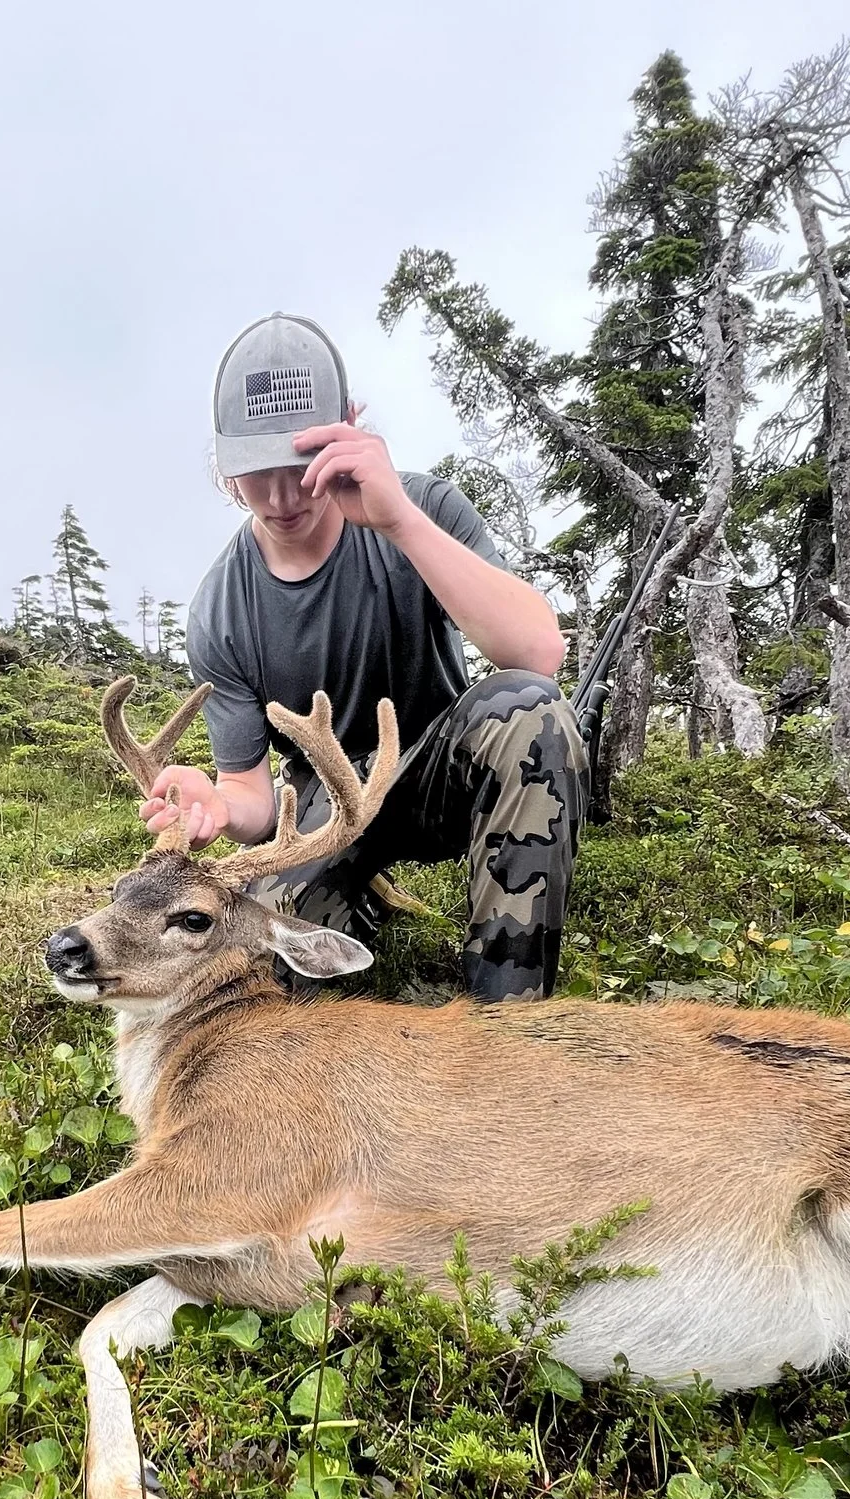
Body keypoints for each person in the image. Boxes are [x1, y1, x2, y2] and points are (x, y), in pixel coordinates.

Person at [141, 312, 586, 1002]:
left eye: (301, 462)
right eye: (256, 471)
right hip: (326, 809)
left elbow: (537, 652)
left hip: (439, 775)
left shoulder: (423, 507)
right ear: (225, 467)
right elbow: (252, 796)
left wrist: (399, 521)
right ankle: (354, 890)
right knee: (267, 961)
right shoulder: (221, 610)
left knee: (529, 710)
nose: (281, 497)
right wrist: (219, 808)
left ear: (348, 428)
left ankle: (508, 1017)